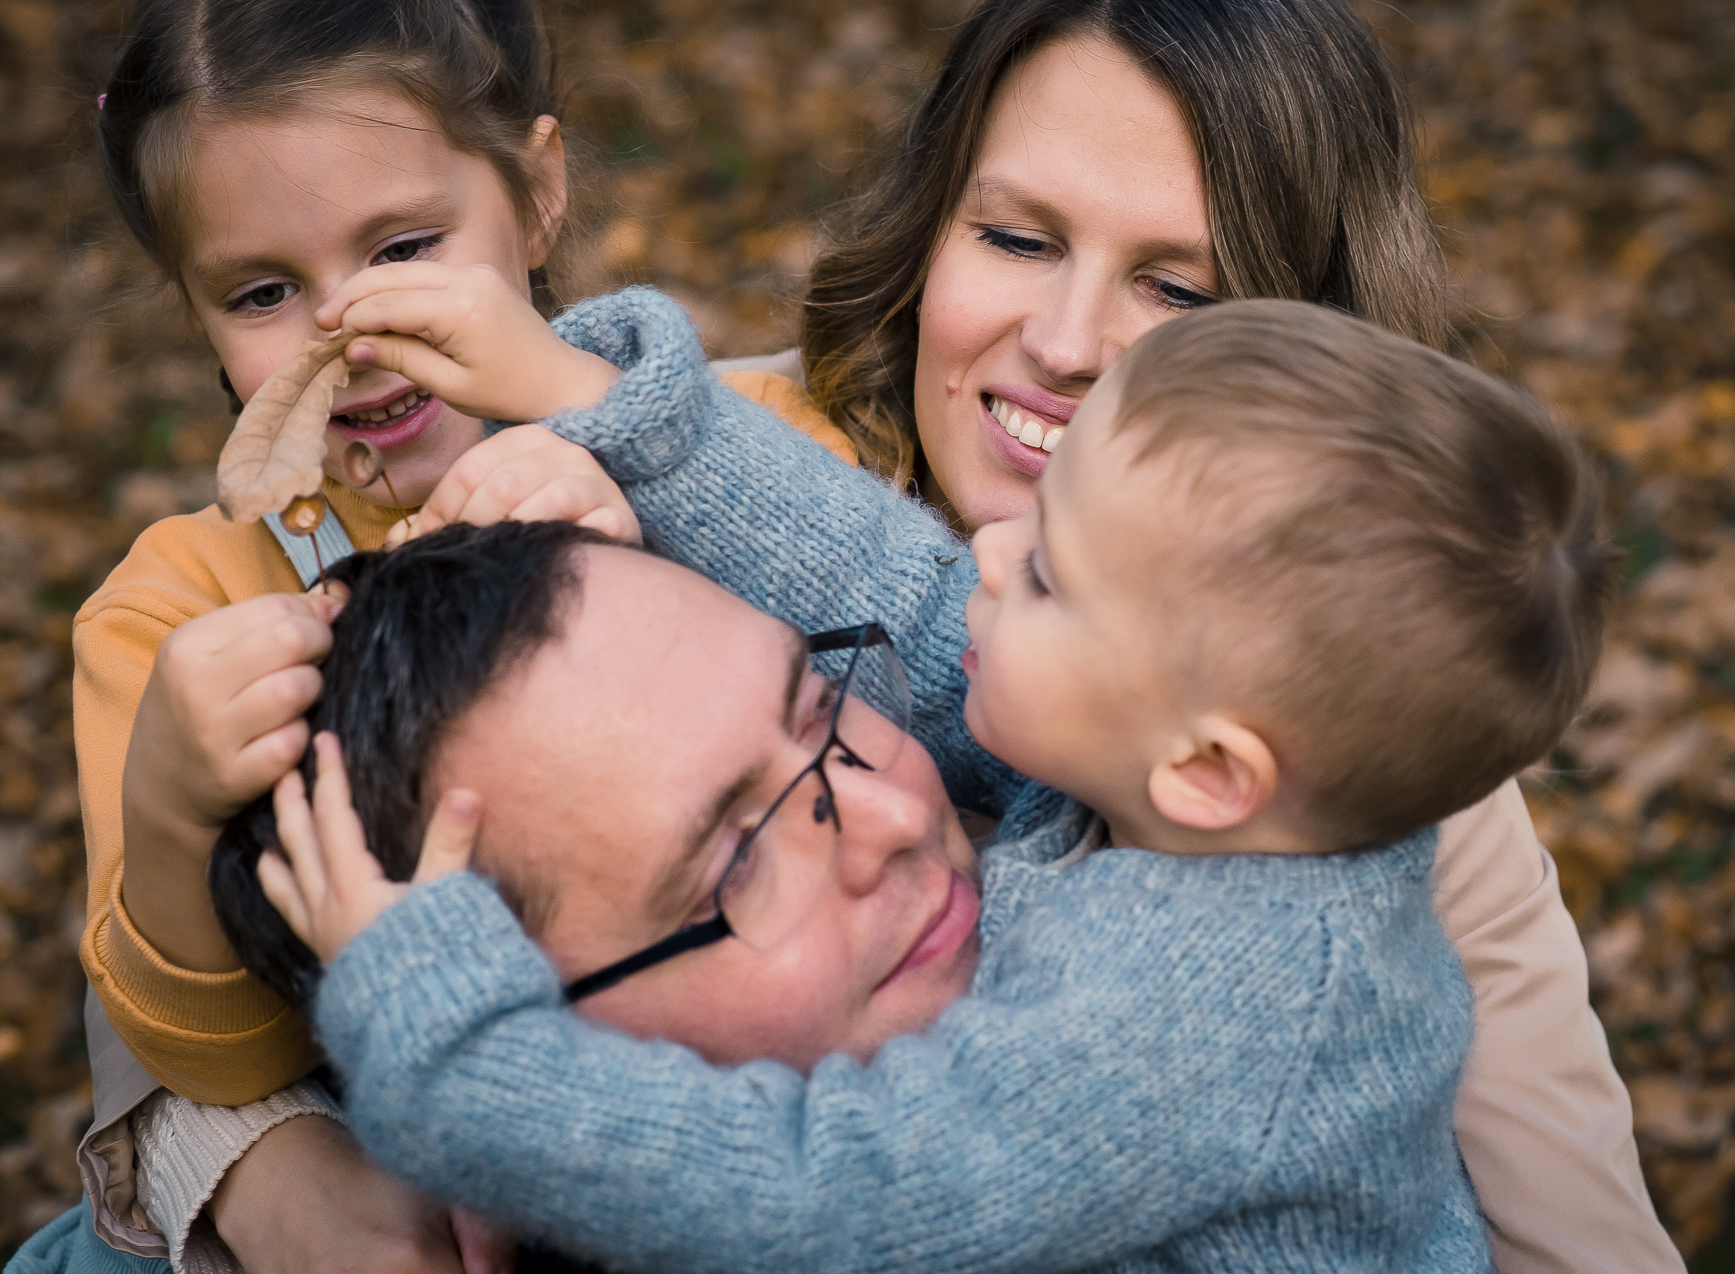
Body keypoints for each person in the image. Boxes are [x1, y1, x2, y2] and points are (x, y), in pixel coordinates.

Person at [241, 290, 1608, 1271]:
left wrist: (454, 1042)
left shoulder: (1196, 1023)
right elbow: (895, 584)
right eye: (737, 856)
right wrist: (638, 424)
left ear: (1209, 769)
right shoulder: (1214, 772)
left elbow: (822, 1192)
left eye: (1049, 576)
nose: (988, 555)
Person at [63, 0, 848, 1270]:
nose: (347, 331)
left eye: (404, 247)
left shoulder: (739, 444)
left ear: (536, 197)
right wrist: (173, 808)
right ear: (196, 313)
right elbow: (224, 1060)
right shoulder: (183, 611)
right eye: (262, 292)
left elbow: (908, 695)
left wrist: (662, 522)